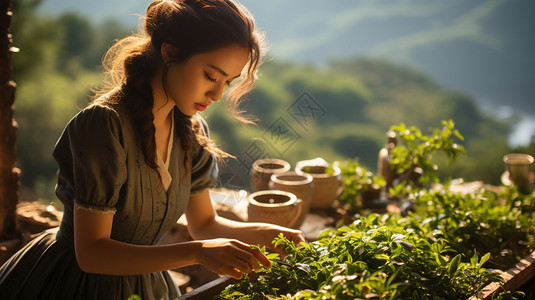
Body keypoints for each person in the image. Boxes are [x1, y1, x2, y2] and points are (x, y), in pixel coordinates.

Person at [0, 0, 305, 299]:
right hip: (76, 283)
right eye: (210, 76)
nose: (216, 94)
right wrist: (197, 253)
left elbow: (204, 225)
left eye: (227, 82)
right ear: (170, 53)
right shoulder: (104, 124)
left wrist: (269, 234)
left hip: (145, 284)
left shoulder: (192, 131)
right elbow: (92, 253)